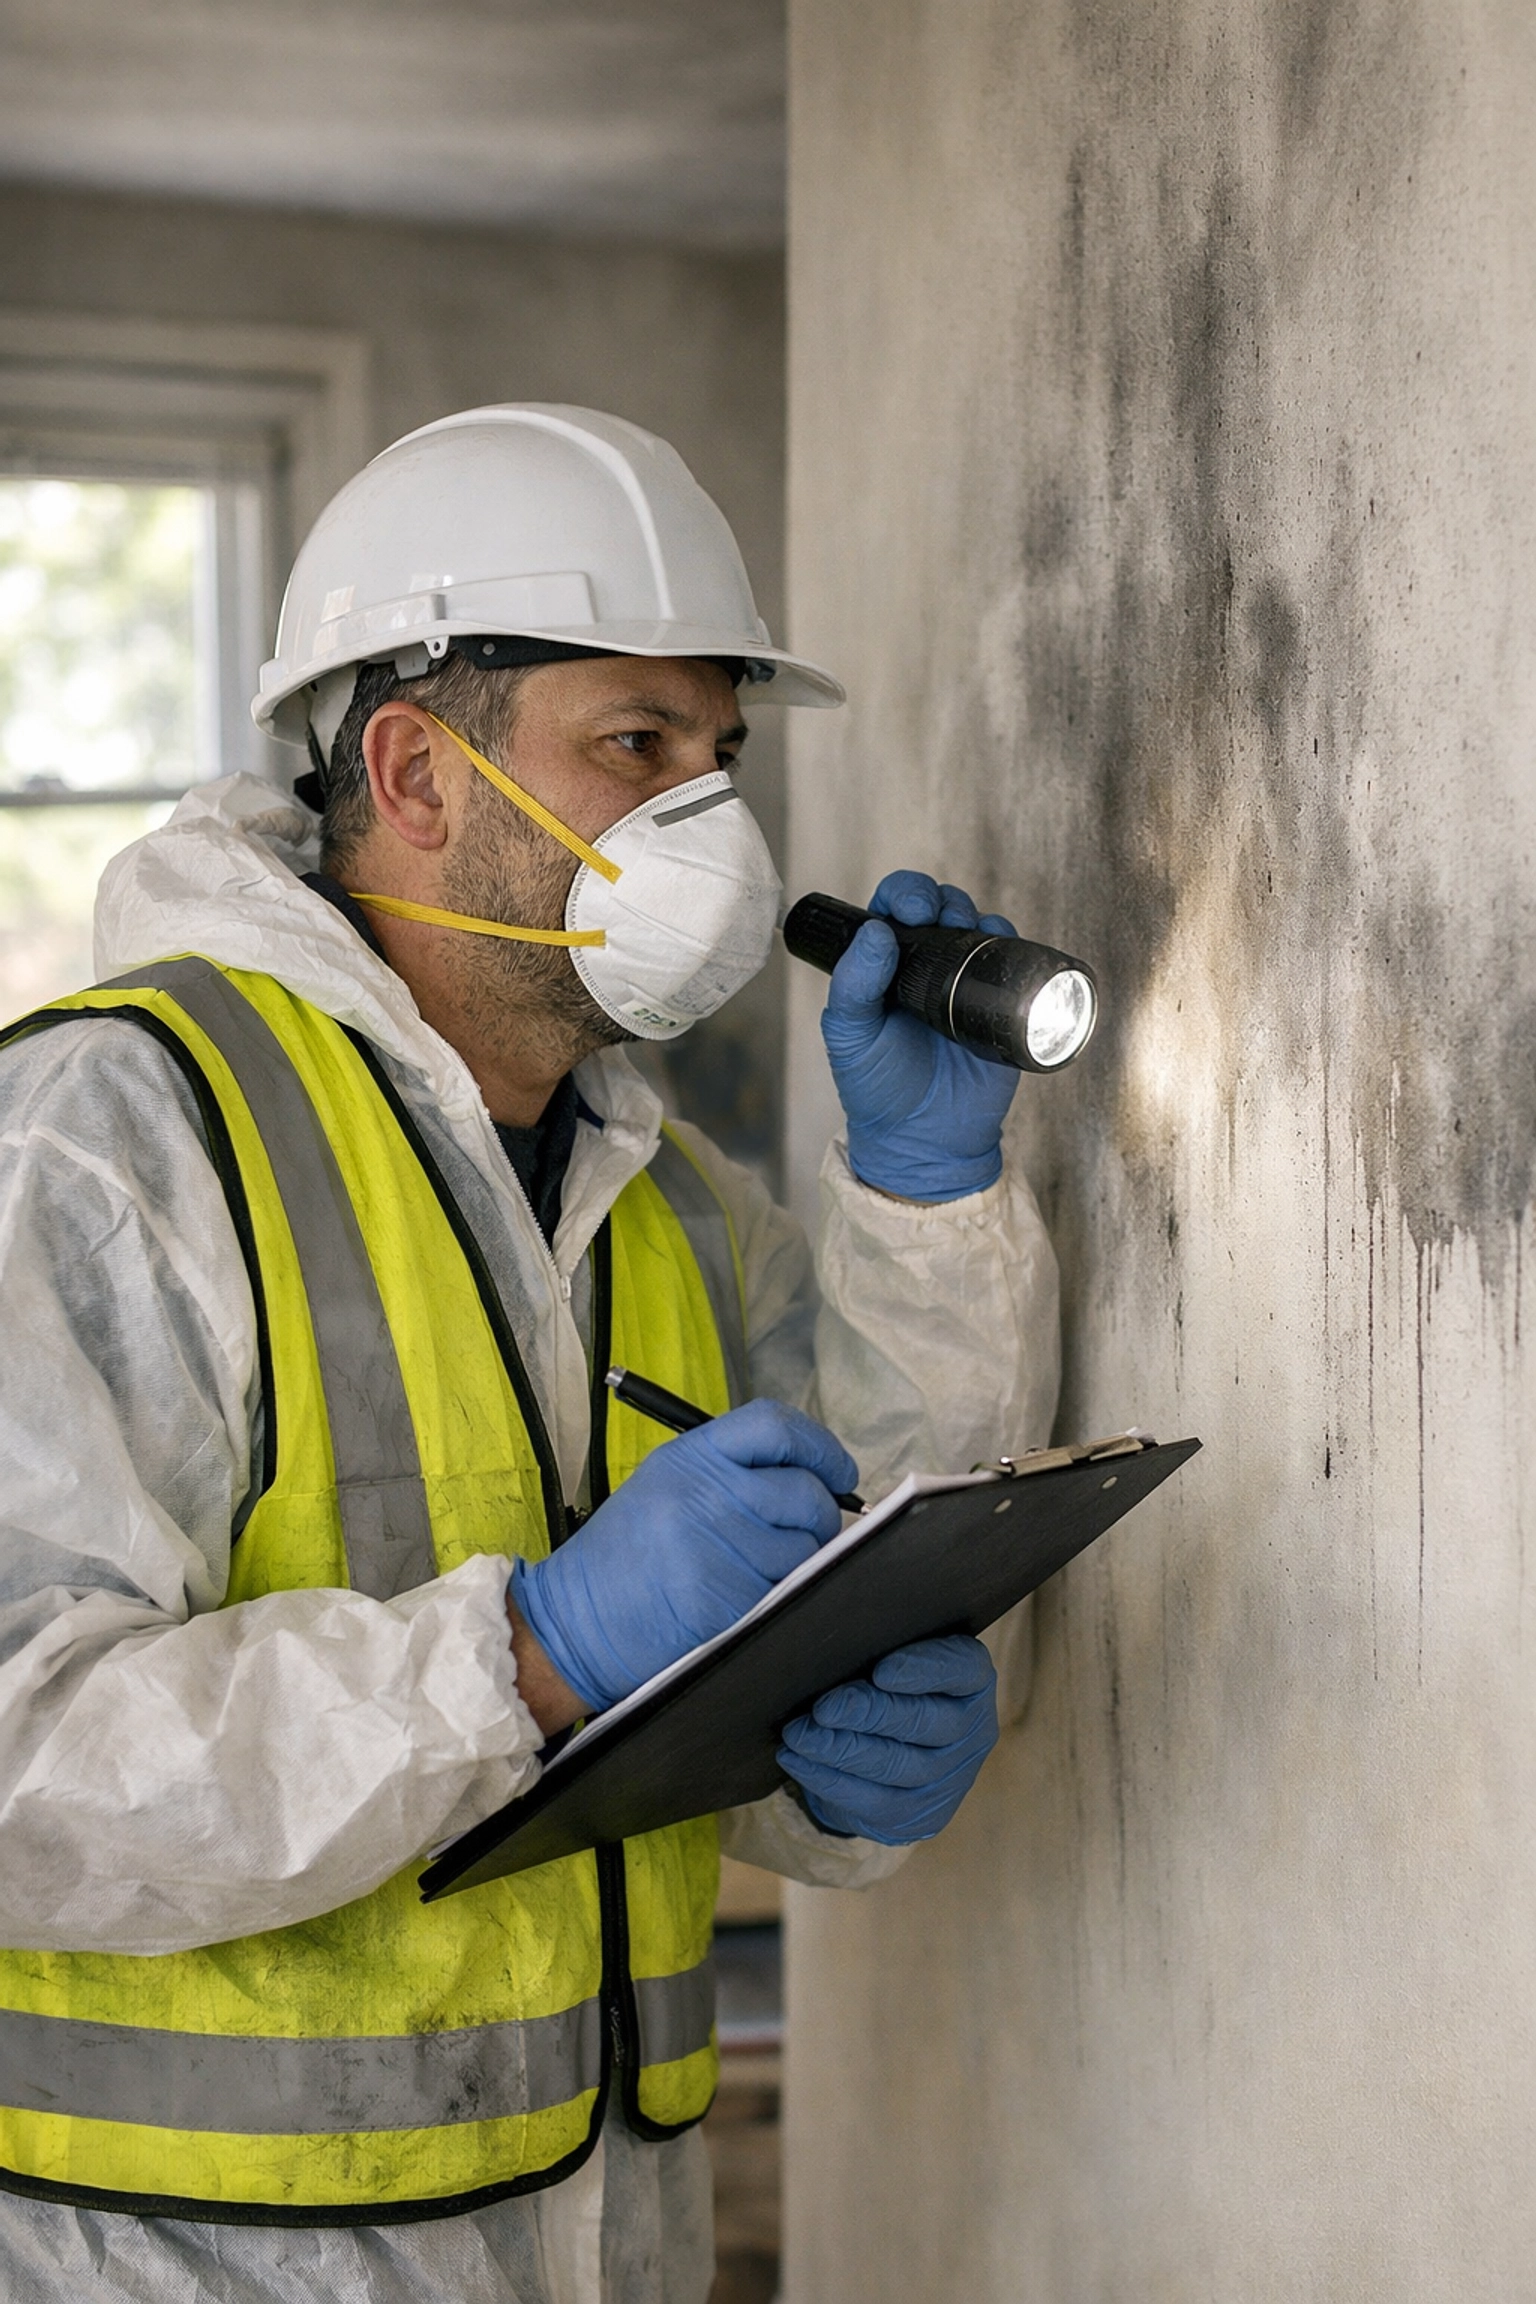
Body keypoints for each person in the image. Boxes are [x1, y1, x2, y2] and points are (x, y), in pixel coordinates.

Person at [0, 406, 1059, 2302]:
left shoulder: (666, 1201)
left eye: (717, 758)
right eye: (634, 746)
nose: (701, 821)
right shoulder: (110, 1137)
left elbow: (853, 1545)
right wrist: (524, 1657)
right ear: (411, 770)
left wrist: (922, 1195)